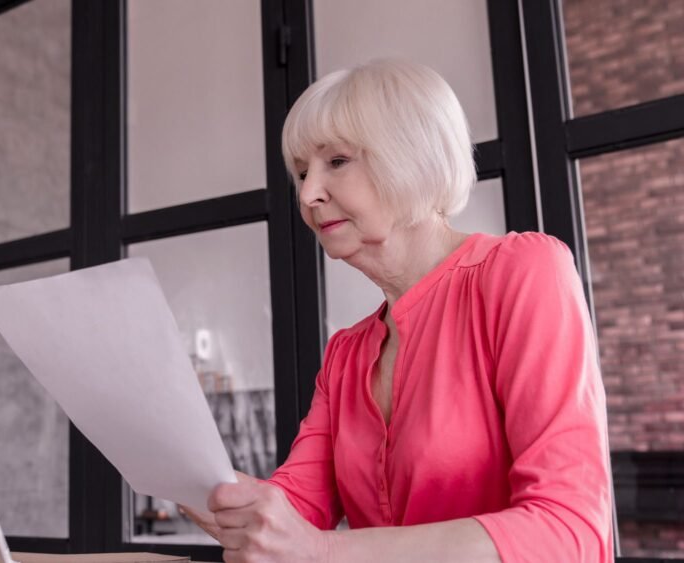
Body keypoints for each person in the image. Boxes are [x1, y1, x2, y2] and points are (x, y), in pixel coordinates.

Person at [181, 59, 613, 562]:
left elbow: (569, 530)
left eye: (336, 162)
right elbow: (290, 516)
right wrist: (176, 465)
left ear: (412, 155)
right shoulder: (346, 354)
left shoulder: (522, 272)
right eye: (301, 172)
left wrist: (322, 552)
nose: (307, 193)